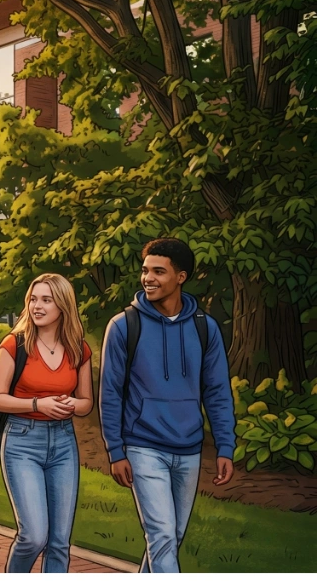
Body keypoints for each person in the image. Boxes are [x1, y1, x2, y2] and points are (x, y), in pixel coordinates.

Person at [100, 238, 236, 573]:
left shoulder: (205, 328)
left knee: (170, 537)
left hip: (189, 448)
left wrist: (225, 446)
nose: (148, 278)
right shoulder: (123, 326)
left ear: (181, 277)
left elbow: (217, 391)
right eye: (145, 270)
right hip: (143, 446)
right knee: (161, 535)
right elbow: (110, 393)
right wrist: (115, 451)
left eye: (159, 271)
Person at [0, 273, 94, 572]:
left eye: (46, 300)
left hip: (63, 443)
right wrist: (38, 404)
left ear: (63, 305)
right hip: (22, 441)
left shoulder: (78, 348)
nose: (37, 306)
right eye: (34, 299)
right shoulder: (14, 344)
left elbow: (87, 403)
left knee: (60, 542)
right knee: (34, 536)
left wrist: (72, 404)